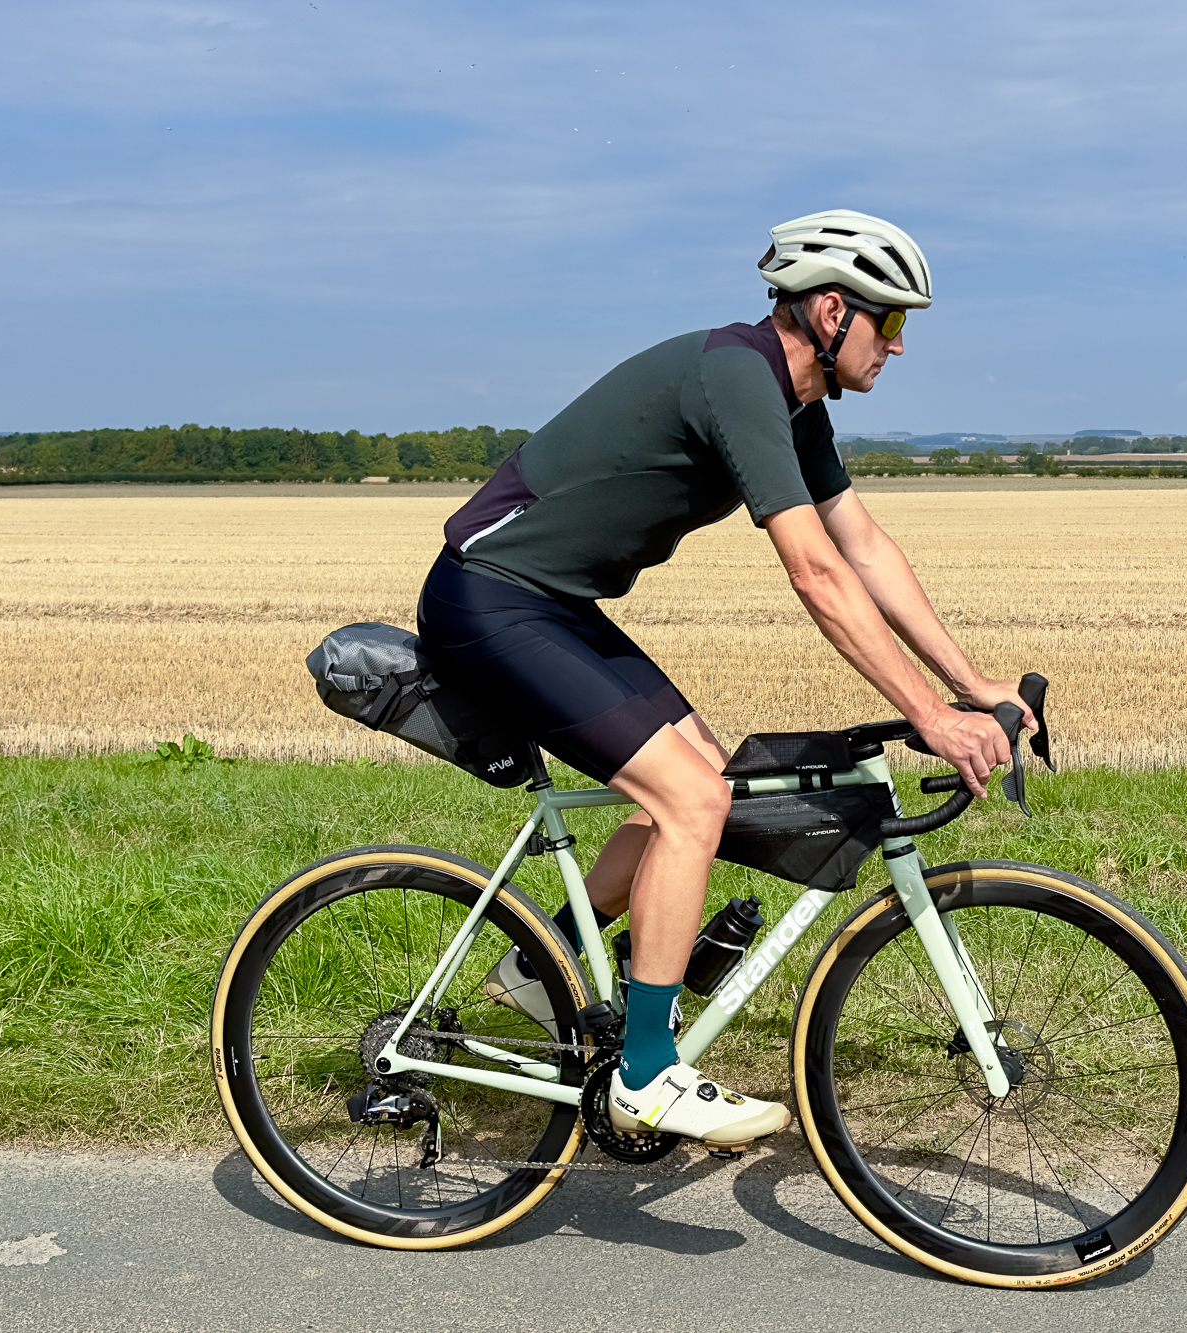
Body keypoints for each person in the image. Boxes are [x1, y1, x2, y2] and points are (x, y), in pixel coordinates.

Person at [416, 210, 1037, 1150]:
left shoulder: (797, 404)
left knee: (703, 767)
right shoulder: (737, 375)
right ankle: (647, 1073)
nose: (900, 347)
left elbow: (863, 545)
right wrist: (927, 716)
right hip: (490, 597)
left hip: (554, 602)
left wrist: (971, 683)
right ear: (832, 312)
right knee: (692, 798)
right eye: (893, 324)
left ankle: (539, 975)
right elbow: (815, 572)